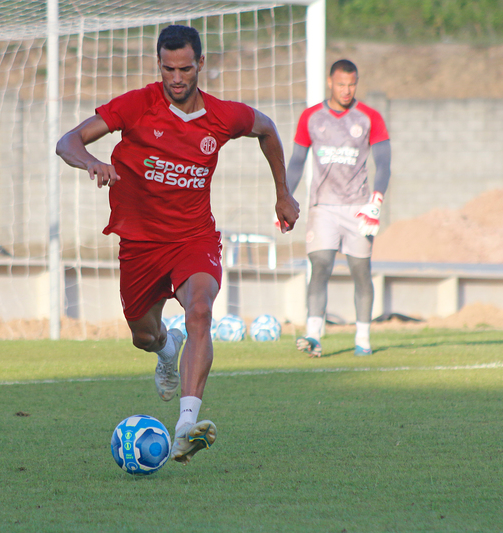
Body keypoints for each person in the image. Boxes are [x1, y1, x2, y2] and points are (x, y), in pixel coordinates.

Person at [56, 25, 299, 465]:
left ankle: (187, 425)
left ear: (200, 65)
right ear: (159, 66)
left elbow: (267, 129)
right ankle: (167, 351)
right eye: (168, 69)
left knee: (201, 308)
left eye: (185, 68)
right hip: (140, 245)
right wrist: (92, 162)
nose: (176, 78)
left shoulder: (223, 116)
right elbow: (67, 141)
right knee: (143, 335)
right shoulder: (136, 106)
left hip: (193, 237)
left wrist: (283, 193)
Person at [287, 59, 391, 358]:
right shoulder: (311, 117)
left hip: (359, 207)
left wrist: (376, 201)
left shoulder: (370, 117)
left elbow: (384, 163)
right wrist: (285, 197)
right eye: (341, 84)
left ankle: (363, 338)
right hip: (323, 207)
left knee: (361, 270)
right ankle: (314, 335)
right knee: (320, 266)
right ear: (330, 83)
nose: (347, 90)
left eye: (352, 84)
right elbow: (296, 161)